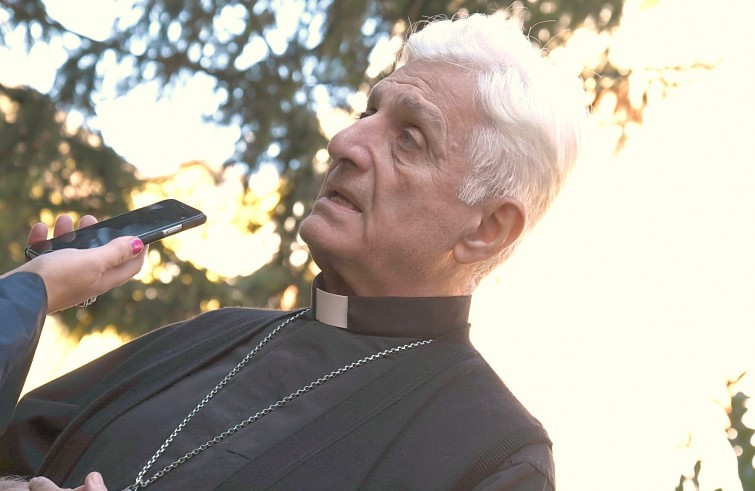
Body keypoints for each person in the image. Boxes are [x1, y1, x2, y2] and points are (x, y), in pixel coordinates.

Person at [0, 11, 585, 491]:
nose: (344, 141)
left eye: (408, 138)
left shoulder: (495, 455)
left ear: (487, 228)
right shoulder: (211, 335)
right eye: (368, 113)